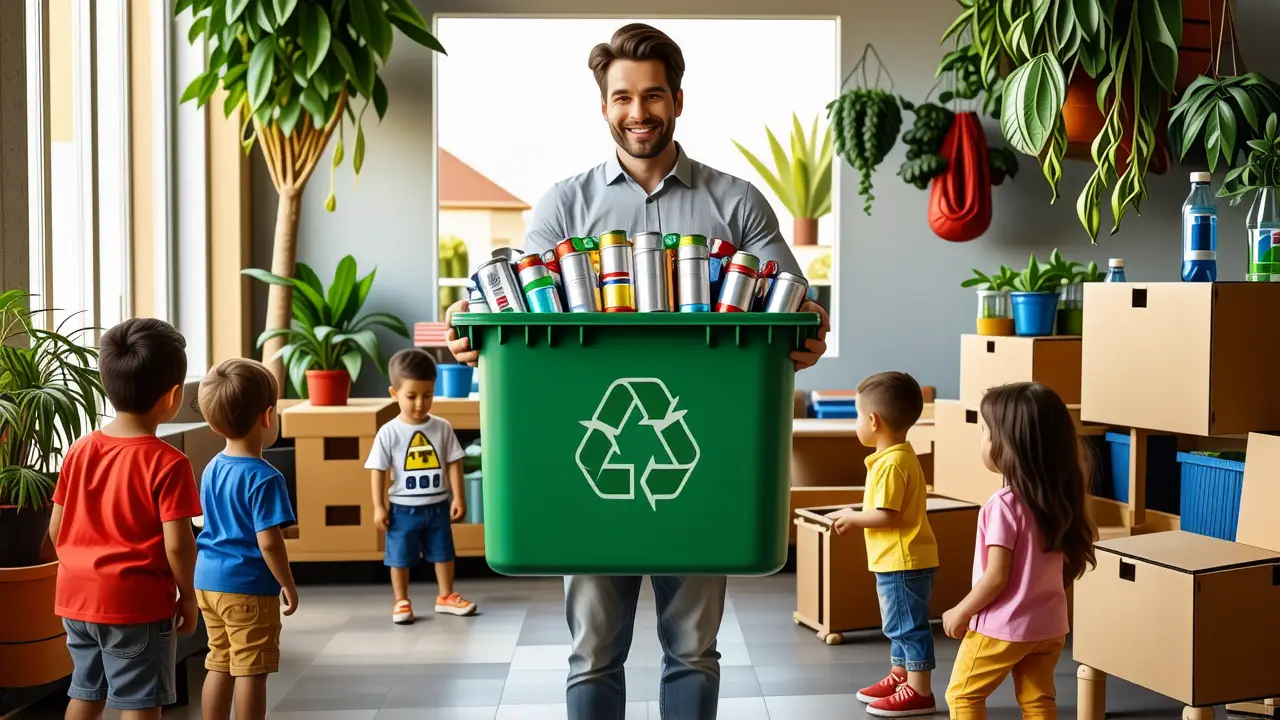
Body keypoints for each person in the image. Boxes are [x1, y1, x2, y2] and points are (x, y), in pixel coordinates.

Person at [443, 22, 830, 719]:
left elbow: (795, 314)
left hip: (708, 465)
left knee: (693, 648)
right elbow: (514, 323)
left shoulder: (734, 203)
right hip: (582, 465)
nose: (638, 112)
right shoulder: (566, 205)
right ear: (603, 107)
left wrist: (808, 337)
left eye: (653, 95)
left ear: (678, 100)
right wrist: (475, 340)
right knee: (592, 651)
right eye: (623, 97)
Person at [48, 318, 202, 720]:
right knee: (139, 702)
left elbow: (55, 528)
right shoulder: (169, 463)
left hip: (76, 600)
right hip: (135, 604)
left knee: (85, 692)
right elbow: (178, 543)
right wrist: (187, 594)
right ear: (173, 396)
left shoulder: (80, 450)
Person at [941, 382, 1097, 719]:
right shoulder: (1059, 500)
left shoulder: (1003, 505)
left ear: (1010, 445)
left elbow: (997, 576)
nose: (982, 440)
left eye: (985, 431)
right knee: (1037, 699)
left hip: (1003, 626)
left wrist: (961, 611)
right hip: (1050, 625)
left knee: (963, 695)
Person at [193, 358, 299, 720]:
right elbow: (269, 542)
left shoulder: (212, 467)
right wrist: (287, 583)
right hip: (248, 587)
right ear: (268, 416)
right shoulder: (265, 477)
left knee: (219, 661)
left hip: (207, 581)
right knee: (252, 670)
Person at [827, 371, 938, 717]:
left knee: (906, 625)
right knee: (898, 622)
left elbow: (886, 516)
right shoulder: (895, 458)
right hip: (897, 559)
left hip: (902, 561)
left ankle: (920, 691)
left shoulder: (892, 464)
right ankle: (901, 675)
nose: (856, 423)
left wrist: (852, 515)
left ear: (873, 421)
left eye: (858, 415)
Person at [366, 348, 477, 623]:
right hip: (402, 509)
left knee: (444, 552)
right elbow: (378, 470)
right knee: (399, 557)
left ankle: (446, 595)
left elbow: (454, 462)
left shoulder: (442, 427)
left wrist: (458, 497)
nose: (420, 403)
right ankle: (401, 600)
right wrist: (379, 507)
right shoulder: (389, 432)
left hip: (437, 505)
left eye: (427, 395)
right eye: (411, 396)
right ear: (394, 393)